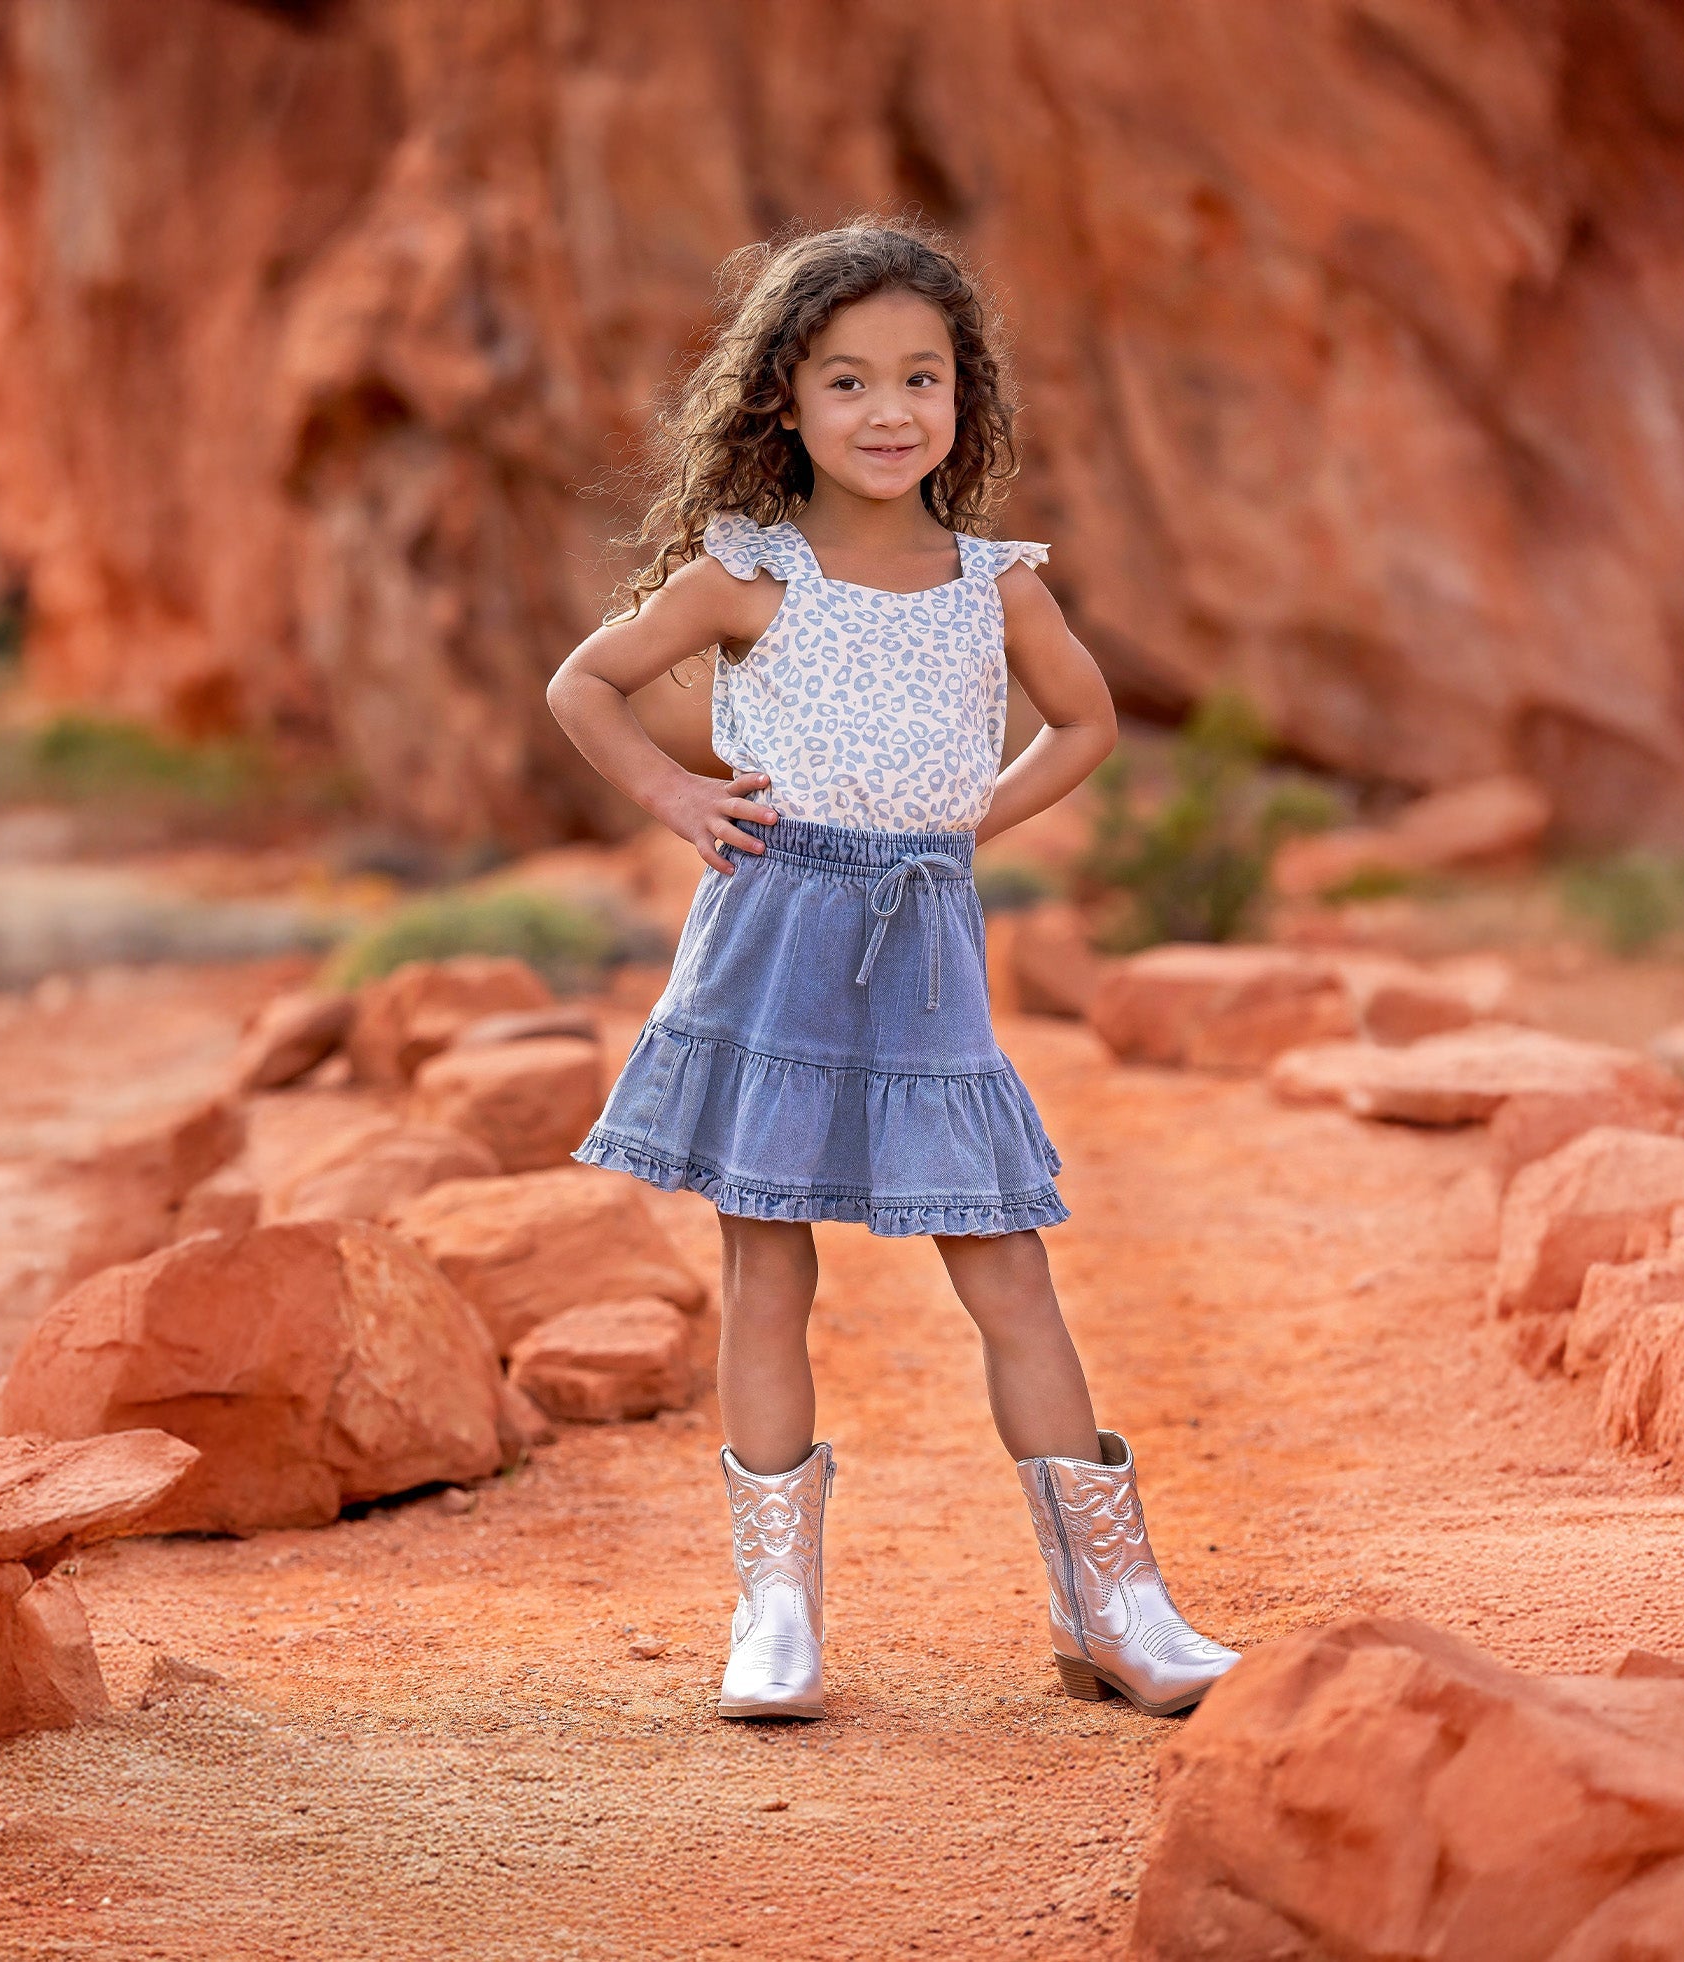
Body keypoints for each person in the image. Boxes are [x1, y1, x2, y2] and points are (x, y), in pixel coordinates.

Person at [545, 220, 1237, 1721]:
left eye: (919, 378)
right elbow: (585, 684)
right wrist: (684, 799)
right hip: (773, 934)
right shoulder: (753, 574)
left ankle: (1114, 1605)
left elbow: (1088, 725)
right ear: (785, 402)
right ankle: (774, 1616)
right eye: (847, 379)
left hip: (925, 949)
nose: (886, 411)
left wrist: (962, 818)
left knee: (1006, 1261)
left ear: (963, 400)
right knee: (767, 1261)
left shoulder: (999, 586)